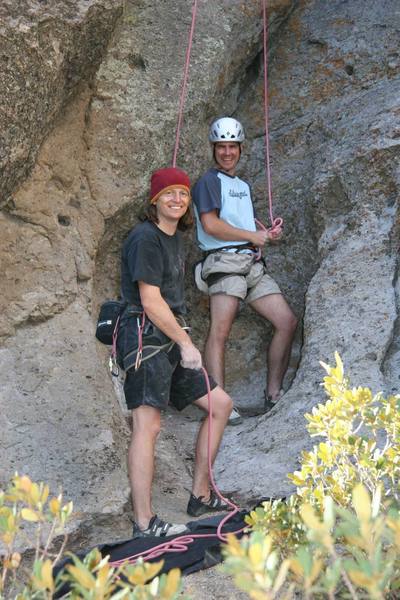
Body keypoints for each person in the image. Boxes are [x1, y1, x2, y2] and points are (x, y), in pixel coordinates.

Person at [117, 167, 233, 539]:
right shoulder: (145, 238)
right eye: (169, 194)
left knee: (220, 405)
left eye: (183, 194)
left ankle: (200, 495)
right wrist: (186, 345)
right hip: (144, 339)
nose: (177, 199)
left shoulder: (174, 239)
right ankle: (145, 523)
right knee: (147, 426)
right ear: (154, 200)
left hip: (170, 336)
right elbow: (150, 301)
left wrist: (182, 341)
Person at [192, 117, 297, 425]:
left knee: (287, 321)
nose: (227, 153)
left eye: (232, 147)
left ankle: (273, 392)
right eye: (221, 147)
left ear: (240, 148)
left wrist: (264, 235)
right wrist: (252, 236)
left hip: (250, 262)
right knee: (220, 331)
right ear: (214, 149)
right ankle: (220, 403)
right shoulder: (208, 182)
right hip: (223, 262)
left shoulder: (242, 186)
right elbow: (210, 224)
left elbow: (240, 224)